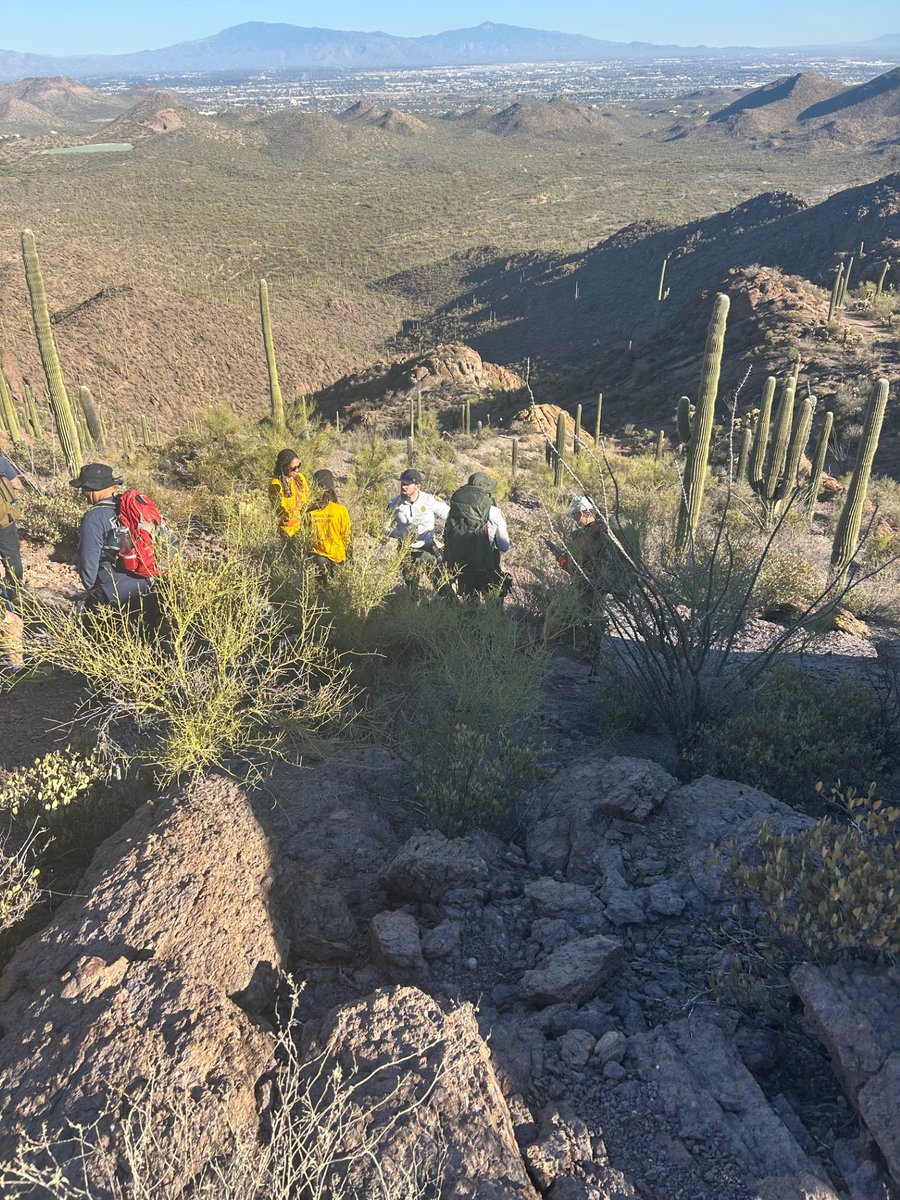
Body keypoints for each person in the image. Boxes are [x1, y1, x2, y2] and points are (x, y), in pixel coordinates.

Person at [70, 462, 154, 610]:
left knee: (88, 625)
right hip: (148, 582)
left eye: (83, 487)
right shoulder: (130, 506)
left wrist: (91, 589)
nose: (82, 492)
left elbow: (88, 560)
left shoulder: (94, 517)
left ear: (92, 489)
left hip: (114, 591)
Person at [444, 470, 510, 599]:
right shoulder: (494, 512)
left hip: (461, 566)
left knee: (470, 605)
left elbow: (446, 536)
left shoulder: (455, 509)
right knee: (494, 606)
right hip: (486, 566)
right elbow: (504, 546)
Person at [385, 468, 450, 582]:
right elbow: (383, 527)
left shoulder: (429, 500)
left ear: (417, 486)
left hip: (429, 549)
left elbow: (450, 515)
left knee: (442, 586)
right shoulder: (394, 503)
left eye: (407, 485)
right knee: (412, 589)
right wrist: (400, 534)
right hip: (406, 551)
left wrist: (446, 539)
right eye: (402, 484)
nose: (403, 487)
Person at [306, 468, 351, 575]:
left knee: (320, 589)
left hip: (318, 559)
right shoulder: (340, 510)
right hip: (338, 557)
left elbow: (306, 537)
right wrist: (350, 556)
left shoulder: (310, 511)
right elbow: (346, 536)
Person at [269, 448, 310, 541]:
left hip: (304, 525)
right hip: (288, 530)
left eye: (299, 466)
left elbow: (308, 497)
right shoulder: (276, 485)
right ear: (284, 467)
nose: (297, 470)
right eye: (294, 468)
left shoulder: (301, 478)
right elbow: (281, 510)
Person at [0, 452, 24, 595]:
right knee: (11, 555)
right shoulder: (1, 462)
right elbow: (16, 484)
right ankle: (14, 592)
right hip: (3, 520)